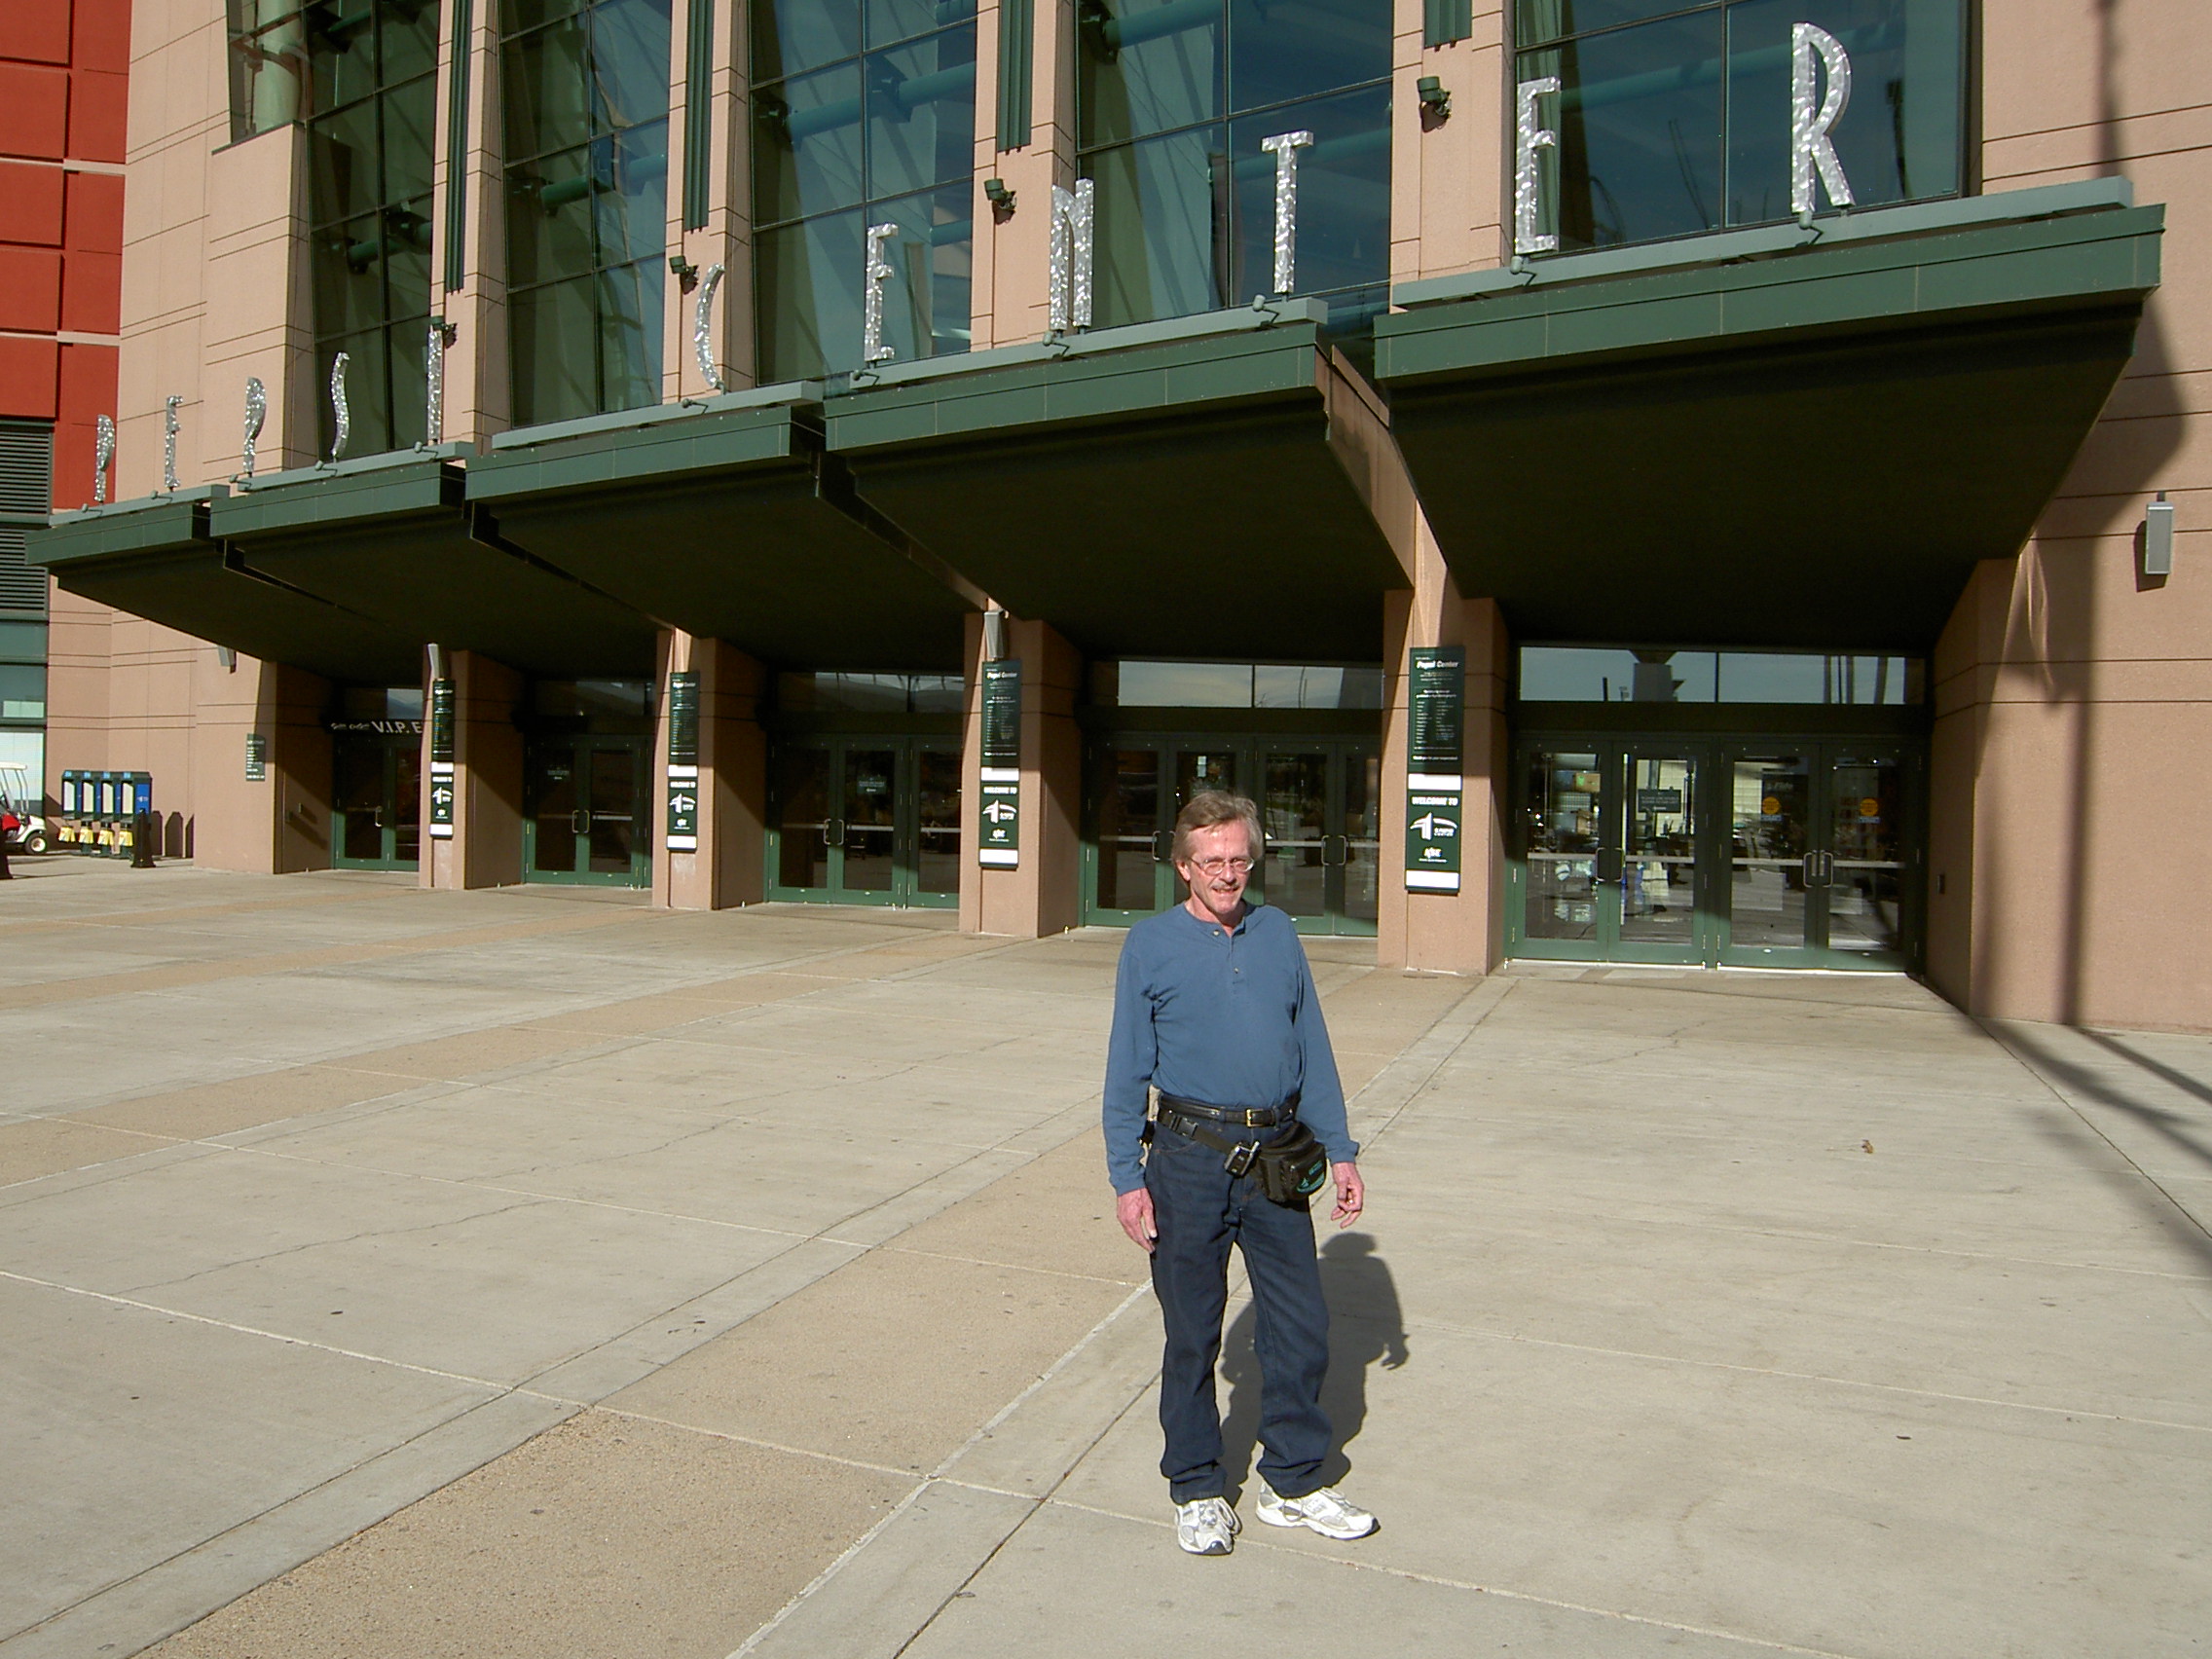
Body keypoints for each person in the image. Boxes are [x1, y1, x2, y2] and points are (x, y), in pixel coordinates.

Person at [1103, 789, 1378, 1557]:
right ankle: (1196, 1487)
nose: (1227, 873)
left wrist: (1341, 1148)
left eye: (1239, 859)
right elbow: (1126, 1069)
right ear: (1183, 868)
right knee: (1193, 1333)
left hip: (1276, 1156)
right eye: (1212, 861)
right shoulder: (1149, 946)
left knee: (1301, 1326)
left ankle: (1293, 1481)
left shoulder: (1278, 933)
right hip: (1186, 1160)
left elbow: (1311, 1046)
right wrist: (1127, 1177)